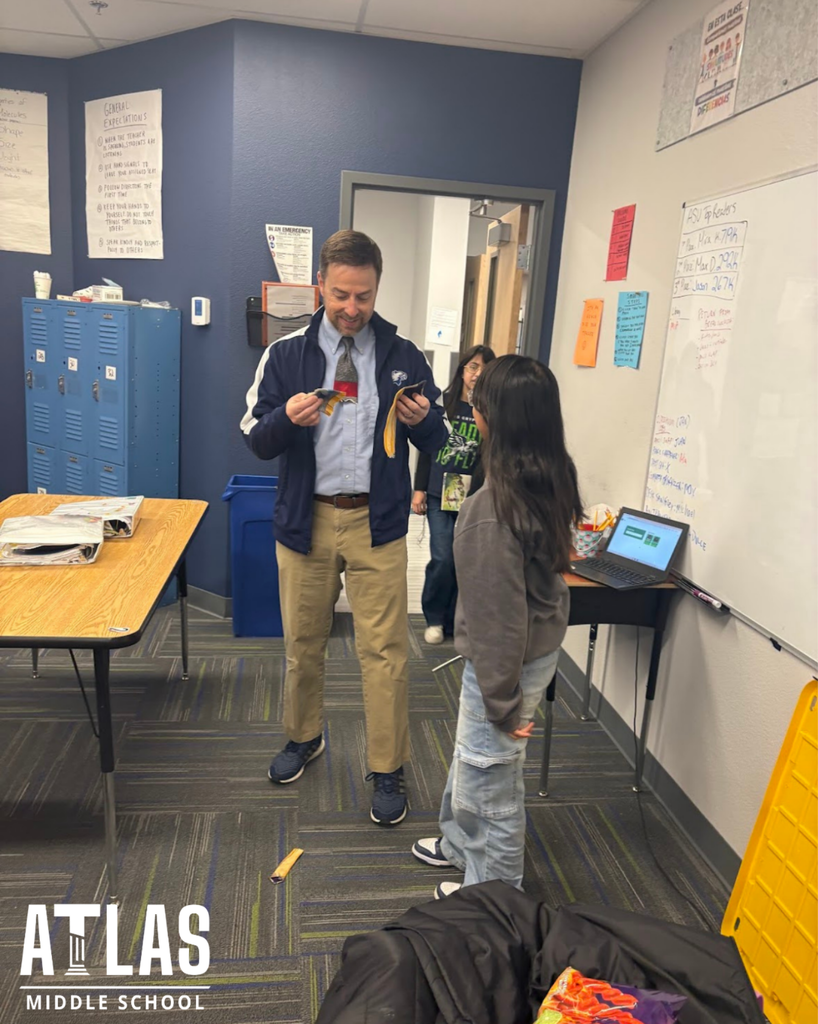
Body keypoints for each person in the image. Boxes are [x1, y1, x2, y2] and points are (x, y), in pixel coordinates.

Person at [240, 230, 448, 827]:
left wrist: (426, 421)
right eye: (340, 295)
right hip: (307, 521)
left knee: (384, 652)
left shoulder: (404, 356)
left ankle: (387, 765)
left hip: (376, 524)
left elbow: (437, 442)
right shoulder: (284, 355)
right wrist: (287, 417)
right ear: (322, 288)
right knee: (302, 643)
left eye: (363, 295)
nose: (352, 308)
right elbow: (256, 438)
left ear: (376, 288)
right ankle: (304, 737)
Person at [410, 355, 583, 896]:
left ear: (494, 418)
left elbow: (498, 620)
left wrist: (503, 702)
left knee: (491, 776)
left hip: (508, 658)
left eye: (480, 405)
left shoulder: (491, 507)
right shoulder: (551, 475)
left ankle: (496, 891)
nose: (474, 412)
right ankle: (460, 845)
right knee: (472, 758)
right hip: (530, 649)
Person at [411, 346, 495, 644]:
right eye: (473, 367)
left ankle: (454, 619)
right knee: (443, 556)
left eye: (485, 369)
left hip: (472, 498)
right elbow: (426, 448)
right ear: (462, 370)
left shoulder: (491, 410)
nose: (477, 374)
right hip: (437, 493)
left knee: (465, 560)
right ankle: (434, 617)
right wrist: (419, 489)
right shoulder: (443, 403)